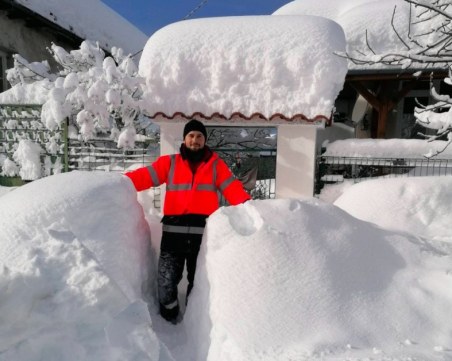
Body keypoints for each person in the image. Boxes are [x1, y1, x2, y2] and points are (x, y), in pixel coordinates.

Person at [125, 119, 251, 323]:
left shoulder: (215, 165)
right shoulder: (170, 162)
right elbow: (146, 177)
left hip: (203, 235)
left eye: (199, 136)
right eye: (191, 136)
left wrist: (249, 207)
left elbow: (232, 189)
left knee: (198, 282)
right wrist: (122, 182)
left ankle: (193, 320)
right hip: (173, 232)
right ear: (184, 139)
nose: (195, 140)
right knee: (166, 281)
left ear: (204, 140)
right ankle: (169, 316)